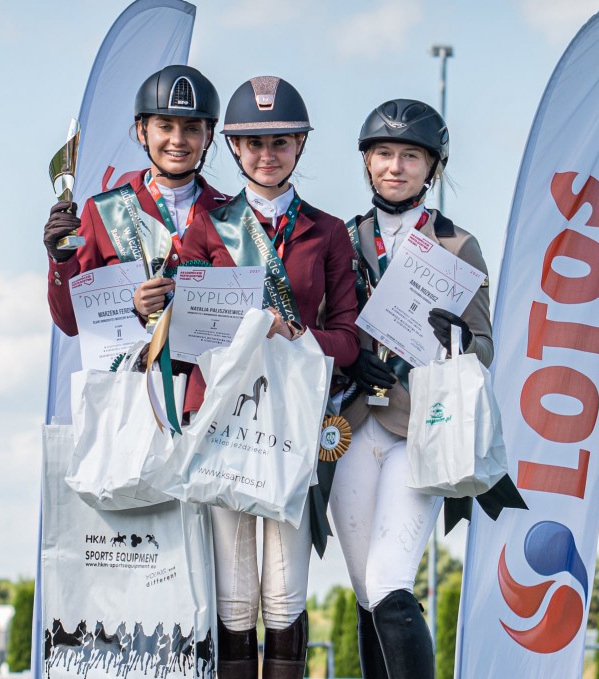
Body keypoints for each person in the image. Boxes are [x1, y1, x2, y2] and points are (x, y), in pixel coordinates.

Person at [328, 99, 525, 679]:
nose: (396, 166)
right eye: (384, 154)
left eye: (410, 156)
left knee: (389, 580)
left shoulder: (458, 245)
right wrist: (349, 361)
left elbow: (484, 345)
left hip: (419, 428)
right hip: (350, 424)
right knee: (365, 589)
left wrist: (456, 338)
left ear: (432, 167)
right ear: (367, 162)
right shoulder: (341, 237)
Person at [179, 76, 359, 679]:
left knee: (284, 591)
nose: (266, 154)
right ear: (233, 147)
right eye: (253, 143)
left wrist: (294, 335)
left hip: (293, 420)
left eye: (280, 141)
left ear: (300, 145)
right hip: (225, 417)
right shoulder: (207, 227)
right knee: (234, 594)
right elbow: (190, 334)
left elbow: (347, 339)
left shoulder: (328, 231)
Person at [43, 65, 228, 335]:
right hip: (136, 363)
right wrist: (60, 260)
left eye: (191, 128)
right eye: (165, 126)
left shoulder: (233, 213)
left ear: (208, 135)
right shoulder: (102, 211)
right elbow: (71, 323)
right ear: (142, 131)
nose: (178, 140)